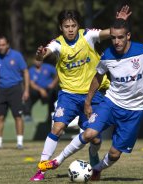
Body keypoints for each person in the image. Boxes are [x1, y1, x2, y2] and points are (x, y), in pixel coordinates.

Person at [37, 18, 143, 181]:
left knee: (114, 153)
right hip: (111, 102)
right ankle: (56, 161)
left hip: (135, 110)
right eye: (113, 37)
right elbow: (97, 78)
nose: (116, 41)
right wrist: (88, 101)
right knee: (89, 133)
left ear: (128, 36)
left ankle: (96, 169)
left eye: (120, 37)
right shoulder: (107, 55)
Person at [30, 6, 132, 181]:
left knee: (95, 140)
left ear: (78, 26)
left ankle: (93, 154)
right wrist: (40, 55)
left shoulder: (88, 36)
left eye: (73, 25)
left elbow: (111, 33)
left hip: (92, 95)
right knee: (57, 128)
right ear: (60, 28)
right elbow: (43, 55)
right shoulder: (58, 44)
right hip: (68, 95)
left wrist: (121, 22)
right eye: (66, 26)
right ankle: (42, 169)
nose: (70, 29)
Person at [0, 35, 29, 150]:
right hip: (1, 90)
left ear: (7, 45)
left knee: (18, 116)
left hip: (15, 88)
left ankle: (20, 143)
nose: (0, 47)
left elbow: (25, 72)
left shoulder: (16, 56)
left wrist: (26, 90)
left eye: (3, 45)